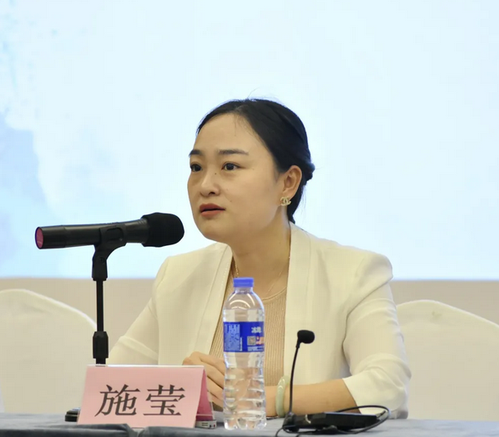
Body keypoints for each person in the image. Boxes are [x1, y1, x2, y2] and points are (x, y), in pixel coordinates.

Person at [109, 98, 411, 418]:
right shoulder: (179, 275)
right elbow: (110, 386)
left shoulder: (353, 273)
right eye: (196, 167)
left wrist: (261, 399)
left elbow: (388, 387)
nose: (206, 185)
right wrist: (180, 388)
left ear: (288, 182)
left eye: (230, 166)